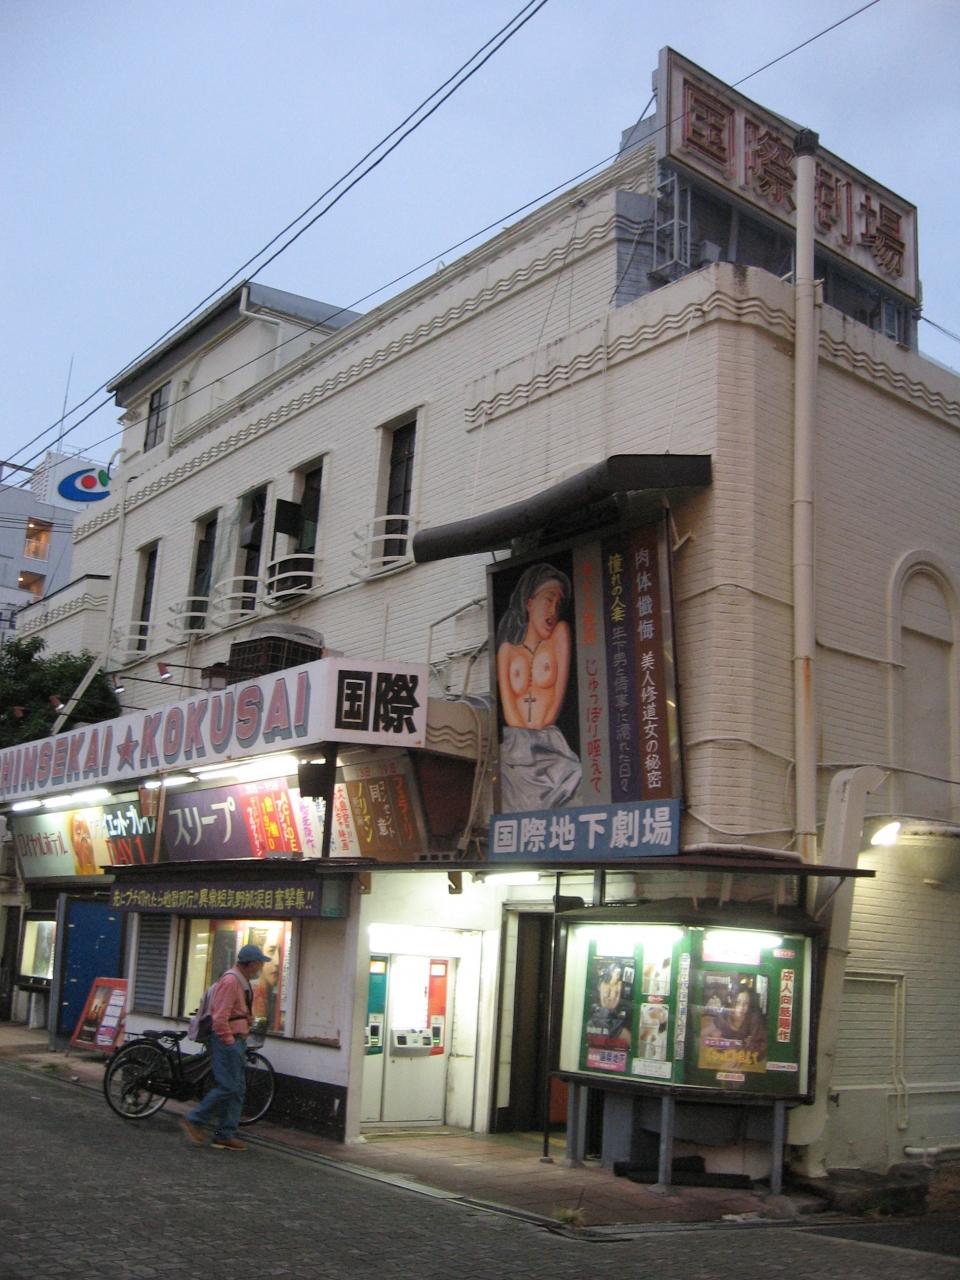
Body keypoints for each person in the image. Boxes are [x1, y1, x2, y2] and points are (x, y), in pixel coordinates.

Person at [496, 562, 581, 811]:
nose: (553, 610)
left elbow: (557, 698)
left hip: (550, 744)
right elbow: (509, 708)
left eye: (558, 603)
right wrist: (524, 743)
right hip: (515, 748)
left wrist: (538, 734)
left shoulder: (560, 635)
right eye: (548, 599)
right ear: (529, 602)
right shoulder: (506, 650)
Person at [180, 943, 268, 1152]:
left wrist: (245, 1020)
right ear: (251, 963)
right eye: (259, 963)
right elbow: (220, 1016)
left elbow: (233, 1011)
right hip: (228, 1041)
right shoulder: (231, 981)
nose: (261, 968)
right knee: (228, 1086)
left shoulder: (240, 981)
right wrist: (229, 1040)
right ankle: (194, 1120)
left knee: (237, 1089)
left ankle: (225, 1134)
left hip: (236, 1039)